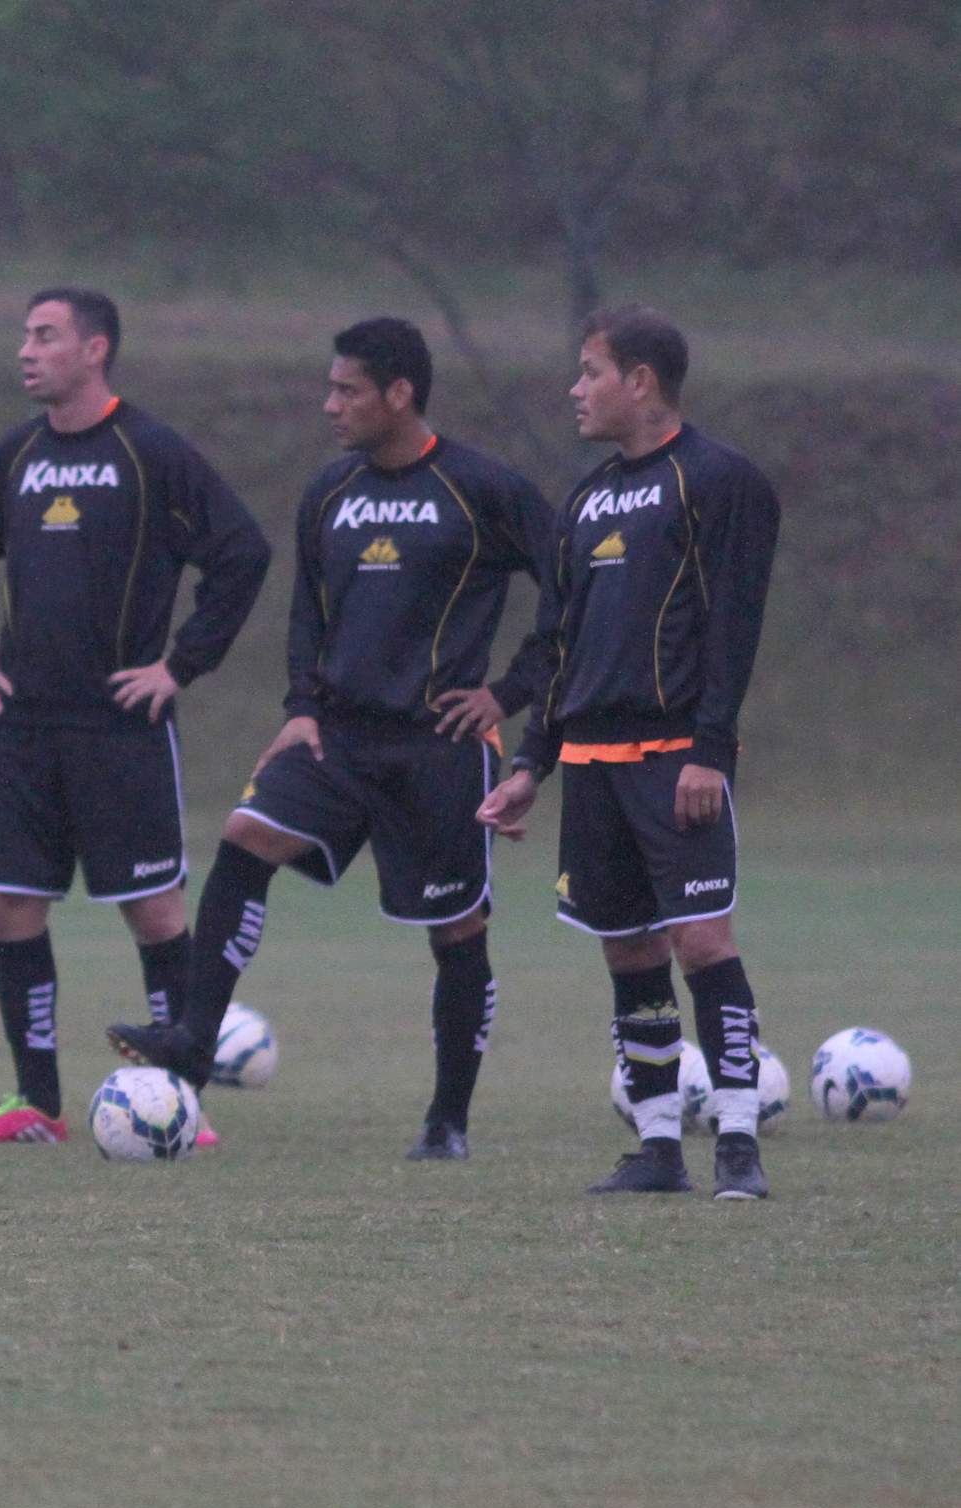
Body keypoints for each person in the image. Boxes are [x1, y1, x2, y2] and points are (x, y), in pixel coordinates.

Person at [105, 318, 555, 1158]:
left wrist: (509, 691)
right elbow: (308, 611)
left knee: (457, 929)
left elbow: (571, 589)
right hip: (337, 736)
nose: (330, 405)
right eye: (330, 387)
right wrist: (301, 704)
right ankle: (194, 1040)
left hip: (439, 747)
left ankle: (447, 1121)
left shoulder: (482, 487)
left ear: (400, 394)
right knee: (245, 835)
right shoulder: (330, 491)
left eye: (348, 390)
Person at [0, 288, 269, 1145]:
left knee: (154, 910)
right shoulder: (14, 456)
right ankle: (36, 1103)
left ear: (95, 350)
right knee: (9, 904)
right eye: (24, 335)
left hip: (120, 725)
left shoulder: (149, 451)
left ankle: (182, 1100)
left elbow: (241, 552)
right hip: (22, 727)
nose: (26, 349)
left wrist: (180, 665)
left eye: (45, 336)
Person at [475, 306, 781, 1200]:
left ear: (639, 380)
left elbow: (734, 623)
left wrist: (710, 749)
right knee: (629, 950)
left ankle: (737, 1141)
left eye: (590, 371)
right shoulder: (585, 499)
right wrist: (531, 763)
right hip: (592, 762)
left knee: (701, 939)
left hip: (676, 754)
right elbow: (560, 640)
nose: (575, 389)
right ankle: (657, 1147)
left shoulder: (719, 480)